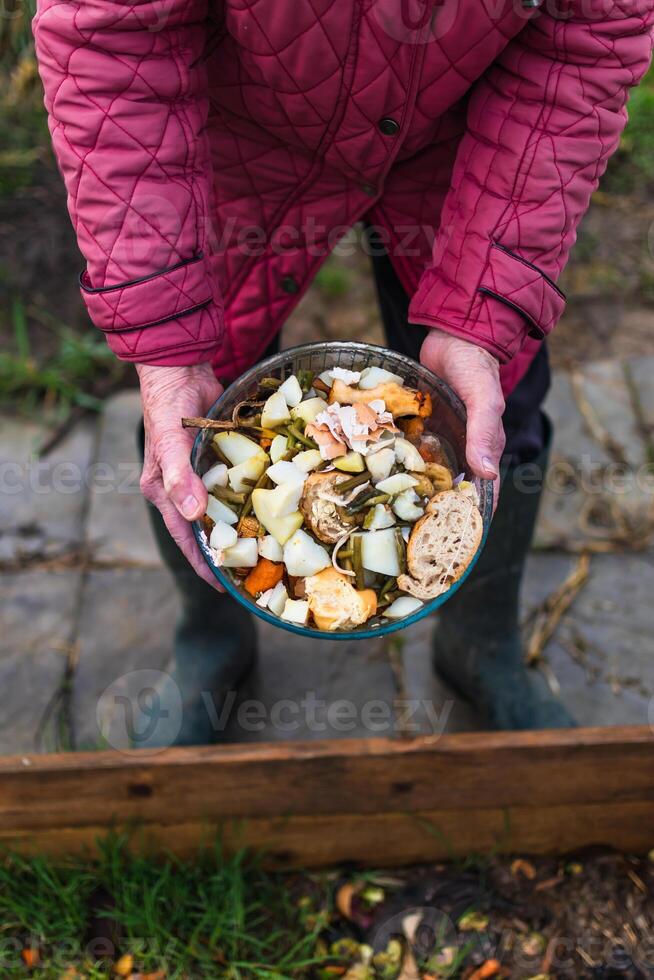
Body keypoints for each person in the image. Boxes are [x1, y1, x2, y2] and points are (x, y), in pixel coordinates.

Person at [34, 0, 653, 744]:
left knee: (497, 405)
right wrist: (165, 344)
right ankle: (212, 636)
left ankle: (478, 644)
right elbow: (108, 34)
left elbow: (591, 34)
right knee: (194, 413)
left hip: (475, 158)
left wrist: (484, 312)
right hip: (238, 150)